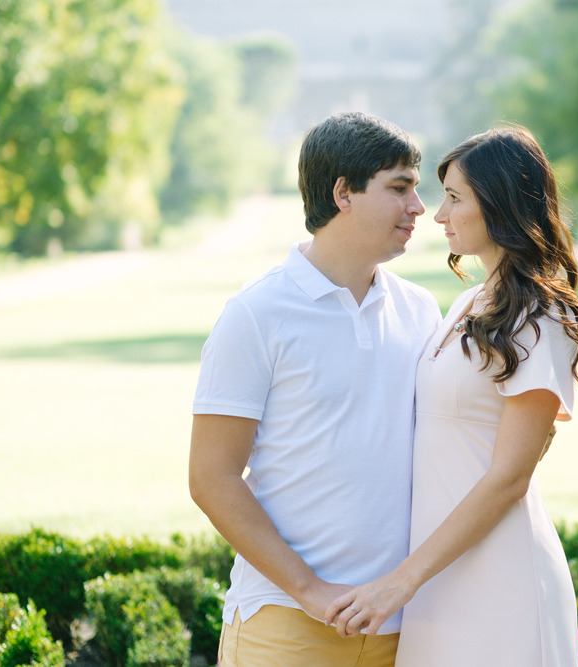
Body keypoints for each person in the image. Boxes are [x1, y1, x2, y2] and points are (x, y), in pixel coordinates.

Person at [324, 125, 578, 667]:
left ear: (500, 203)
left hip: (499, 577)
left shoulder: (540, 316)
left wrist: (401, 582)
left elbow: (510, 476)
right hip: (438, 579)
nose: (437, 215)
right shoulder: (467, 305)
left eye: (455, 199)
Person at [188, 112, 442, 667]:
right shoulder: (256, 314)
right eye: (399, 188)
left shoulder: (420, 310)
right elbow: (212, 477)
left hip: (404, 625)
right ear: (343, 193)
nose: (418, 207)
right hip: (286, 624)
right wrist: (309, 589)